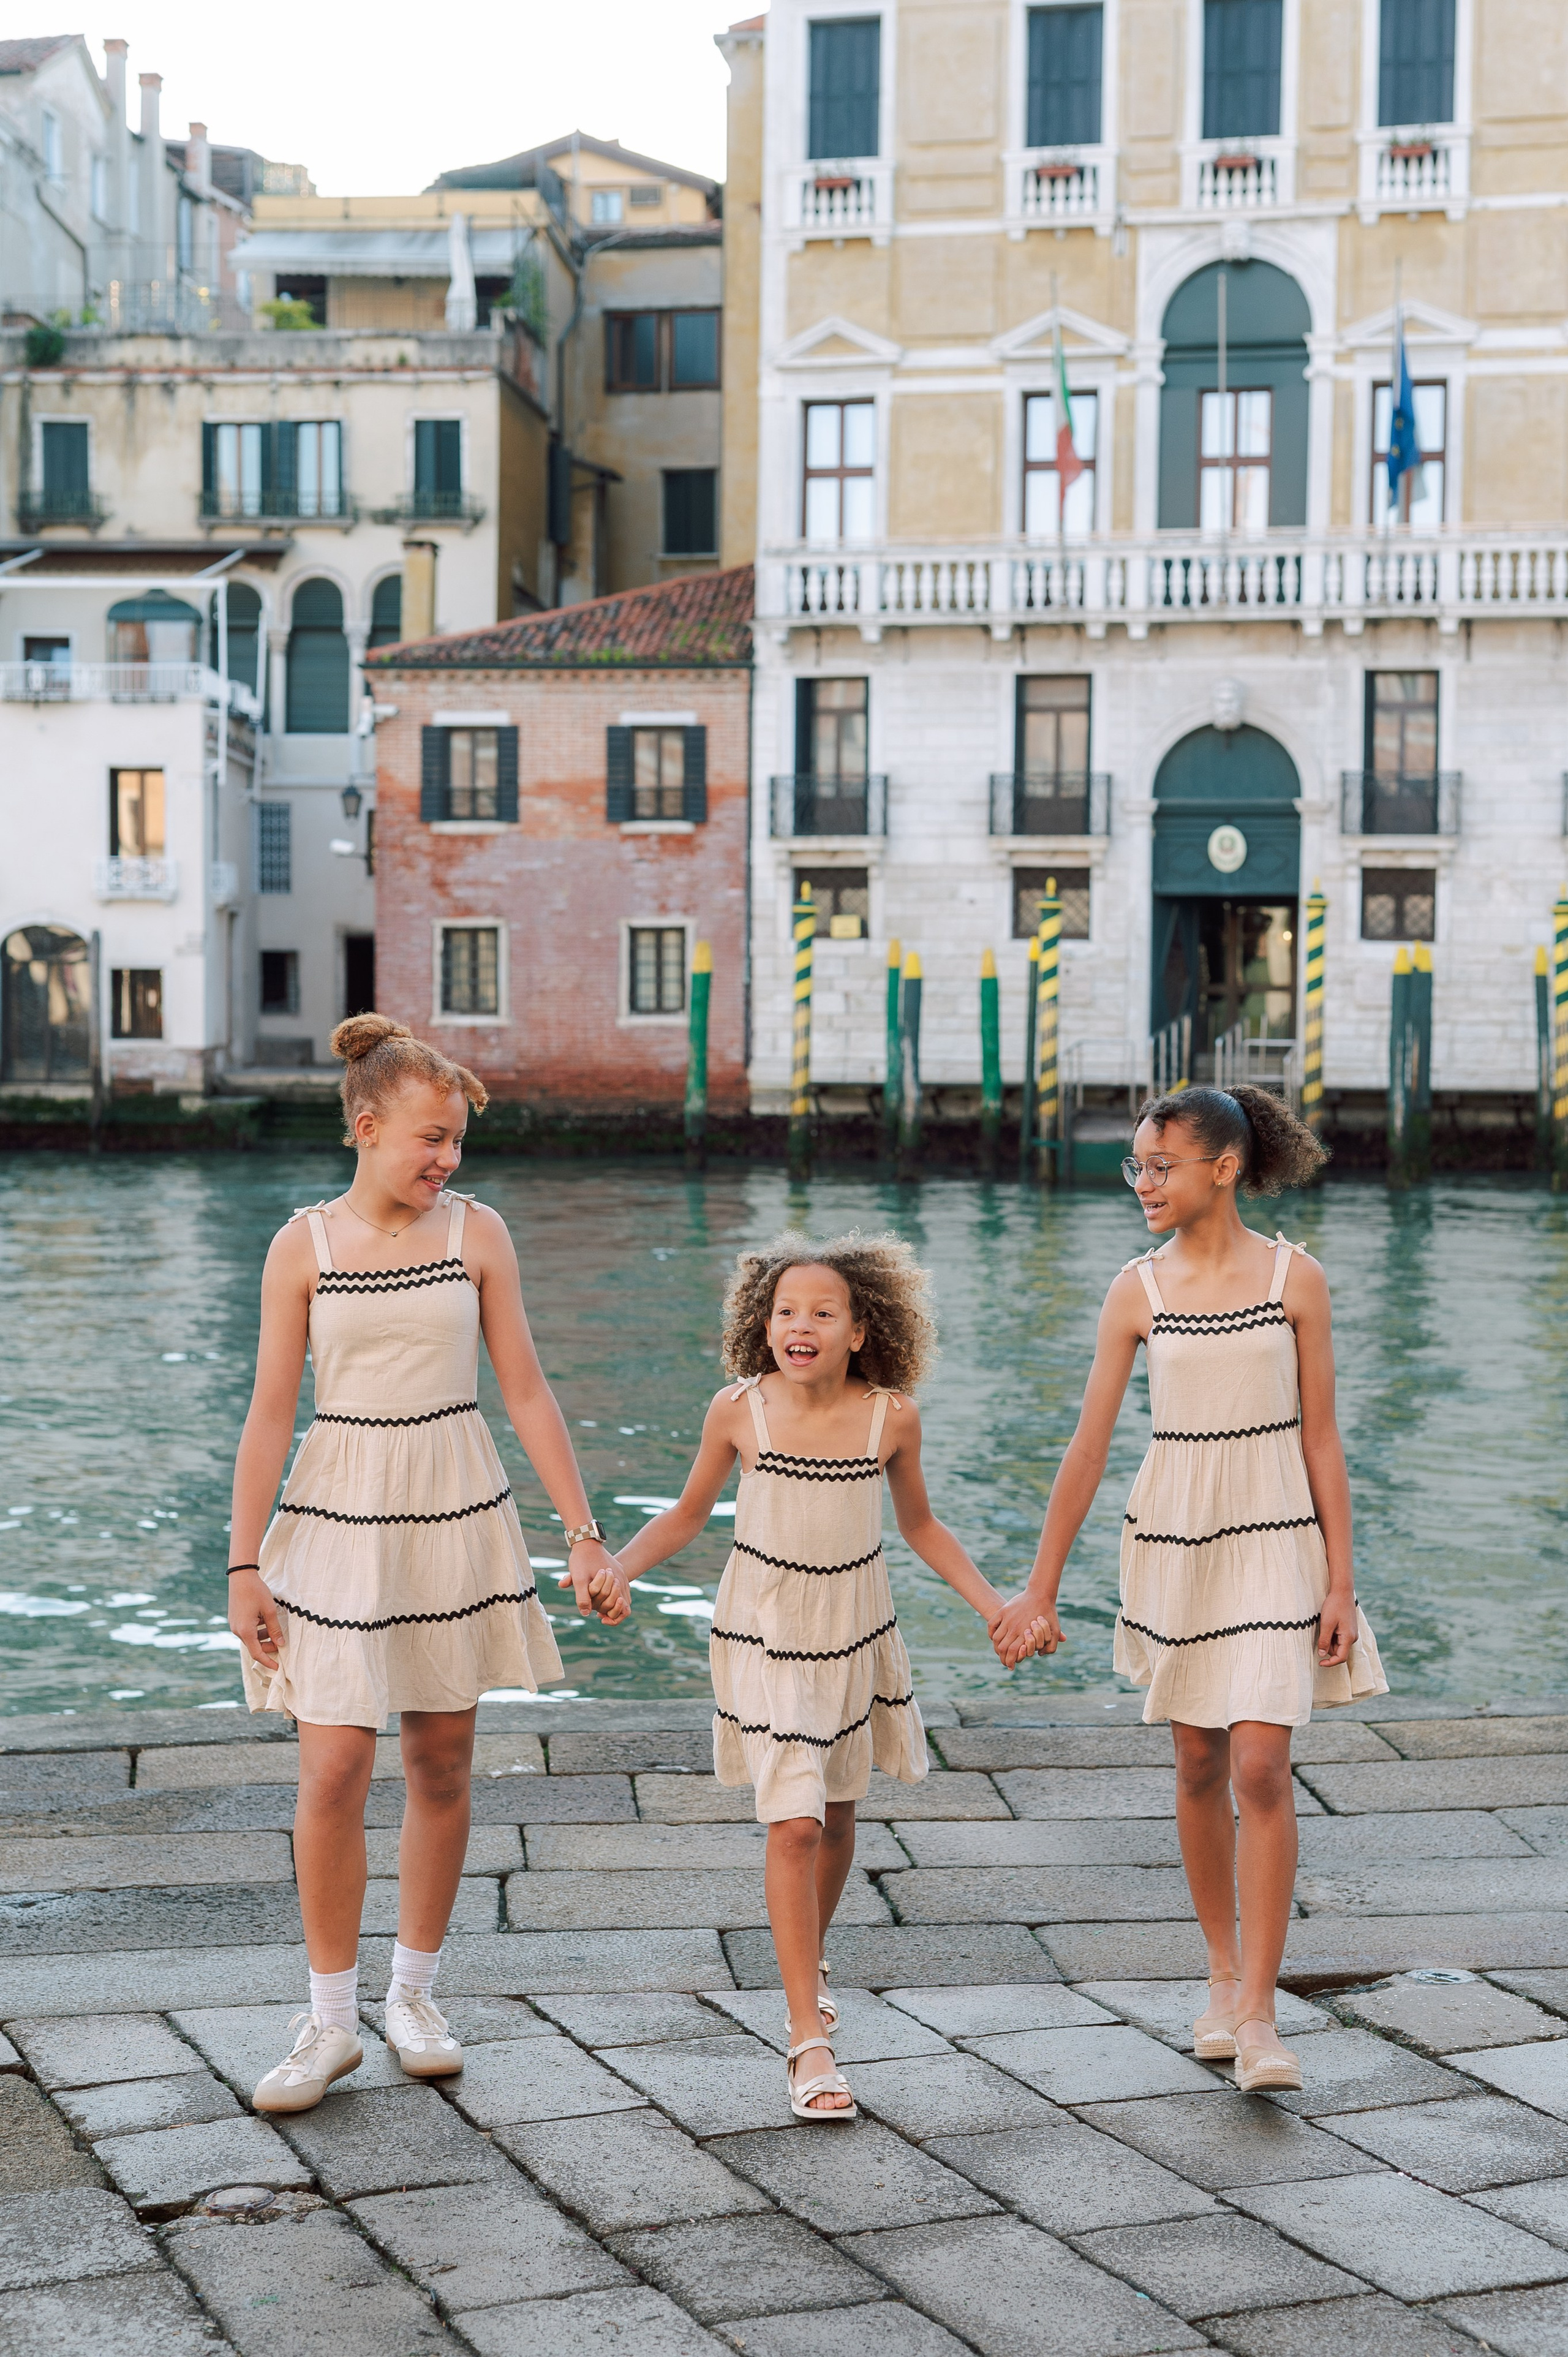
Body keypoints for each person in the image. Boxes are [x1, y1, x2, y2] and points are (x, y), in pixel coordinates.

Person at [227, 1015, 626, 2113]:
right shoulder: (299, 1247)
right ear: (368, 1127)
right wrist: (241, 1566)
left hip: (454, 1507)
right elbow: (268, 1414)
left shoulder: (478, 1233)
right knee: (333, 1770)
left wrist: (583, 1529)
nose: (448, 1158)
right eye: (432, 1138)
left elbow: (530, 1390)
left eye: (457, 1142)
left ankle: (416, 1996)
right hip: (336, 1516)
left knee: (444, 1760)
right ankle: (326, 2021)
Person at [993, 1085, 1387, 2094]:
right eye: (1137, 1167)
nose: (1143, 1184)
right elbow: (1088, 1447)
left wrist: (1344, 1581)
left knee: (1261, 1764)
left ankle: (1259, 2011)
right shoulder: (1137, 1291)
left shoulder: (1297, 1280)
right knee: (1199, 1761)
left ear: (1224, 1166)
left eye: (1160, 1166)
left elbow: (1324, 1437)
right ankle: (1219, 1973)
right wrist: (1038, 1589)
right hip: (1175, 1534)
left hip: (1276, 1533)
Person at [612, 1231, 1026, 2119]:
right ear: (763, 1328)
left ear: (861, 1330)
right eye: (785, 1312)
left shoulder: (891, 1418)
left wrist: (994, 1605)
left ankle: (811, 1954)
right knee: (793, 1825)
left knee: (837, 1815)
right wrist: (619, 1568)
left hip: (853, 1627)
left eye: (822, 1313)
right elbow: (688, 1515)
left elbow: (923, 1528)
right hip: (764, 1628)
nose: (800, 1325)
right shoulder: (738, 1411)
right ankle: (809, 2041)